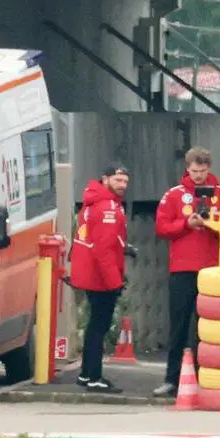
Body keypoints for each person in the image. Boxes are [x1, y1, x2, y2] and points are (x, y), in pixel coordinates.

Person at [152, 148, 220, 400]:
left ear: (209, 168)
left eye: (203, 171)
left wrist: (211, 223)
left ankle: (207, 378)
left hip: (212, 270)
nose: (199, 176)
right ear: (187, 168)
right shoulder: (174, 195)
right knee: (179, 325)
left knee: (208, 328)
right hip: (182, 269)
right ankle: (172, 379)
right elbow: (161, 226)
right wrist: (186, 224)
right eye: (195, 171)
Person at [68, 163, 132, 394]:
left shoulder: (91, 202)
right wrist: (115, 282)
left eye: (125, 181)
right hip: (101, 278)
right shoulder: (107, 208)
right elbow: (103, 250)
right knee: (99, 326)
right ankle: (94, 376)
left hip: (90, 274)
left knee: (94, 324)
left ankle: (86, 374)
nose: (123, 185)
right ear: (105, 179)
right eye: (118, 180)